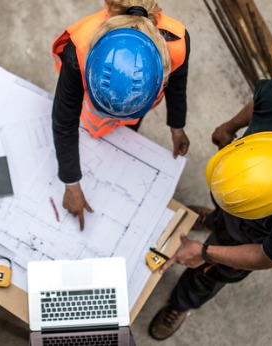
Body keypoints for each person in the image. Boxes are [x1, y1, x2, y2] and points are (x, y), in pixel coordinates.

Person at [147, 78, 272, 340]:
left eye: (241, 210)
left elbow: (265, 256)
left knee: (211, 272)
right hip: (253, 192)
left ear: (270, 212)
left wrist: (205, 252)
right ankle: (216, 219)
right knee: (224, 216)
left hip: (254, 236)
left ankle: (182, 303)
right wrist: (230, 126)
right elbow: (258, 102)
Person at [51, 0, 191, 230]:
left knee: (125, 135)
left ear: (160, 75)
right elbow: (64, 120)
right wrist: (71, 183)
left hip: (137, 107)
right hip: (93, 113)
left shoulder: (177, 42)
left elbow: (177, 85)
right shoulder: (78, 52)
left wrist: (177, 126)